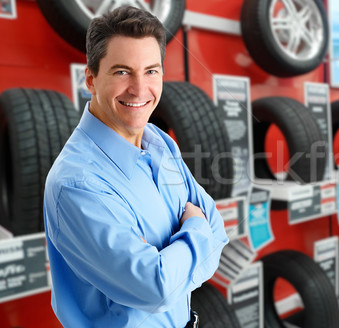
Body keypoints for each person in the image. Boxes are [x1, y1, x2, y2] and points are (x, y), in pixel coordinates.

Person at [43, 6, 228, 327]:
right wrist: (194, 229)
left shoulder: (158, 143)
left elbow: (219, 234)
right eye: (122, 72)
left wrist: (173, 260)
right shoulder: (78, 183)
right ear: (91, 78)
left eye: (151, 71)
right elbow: (155, 288)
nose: (140, 89)